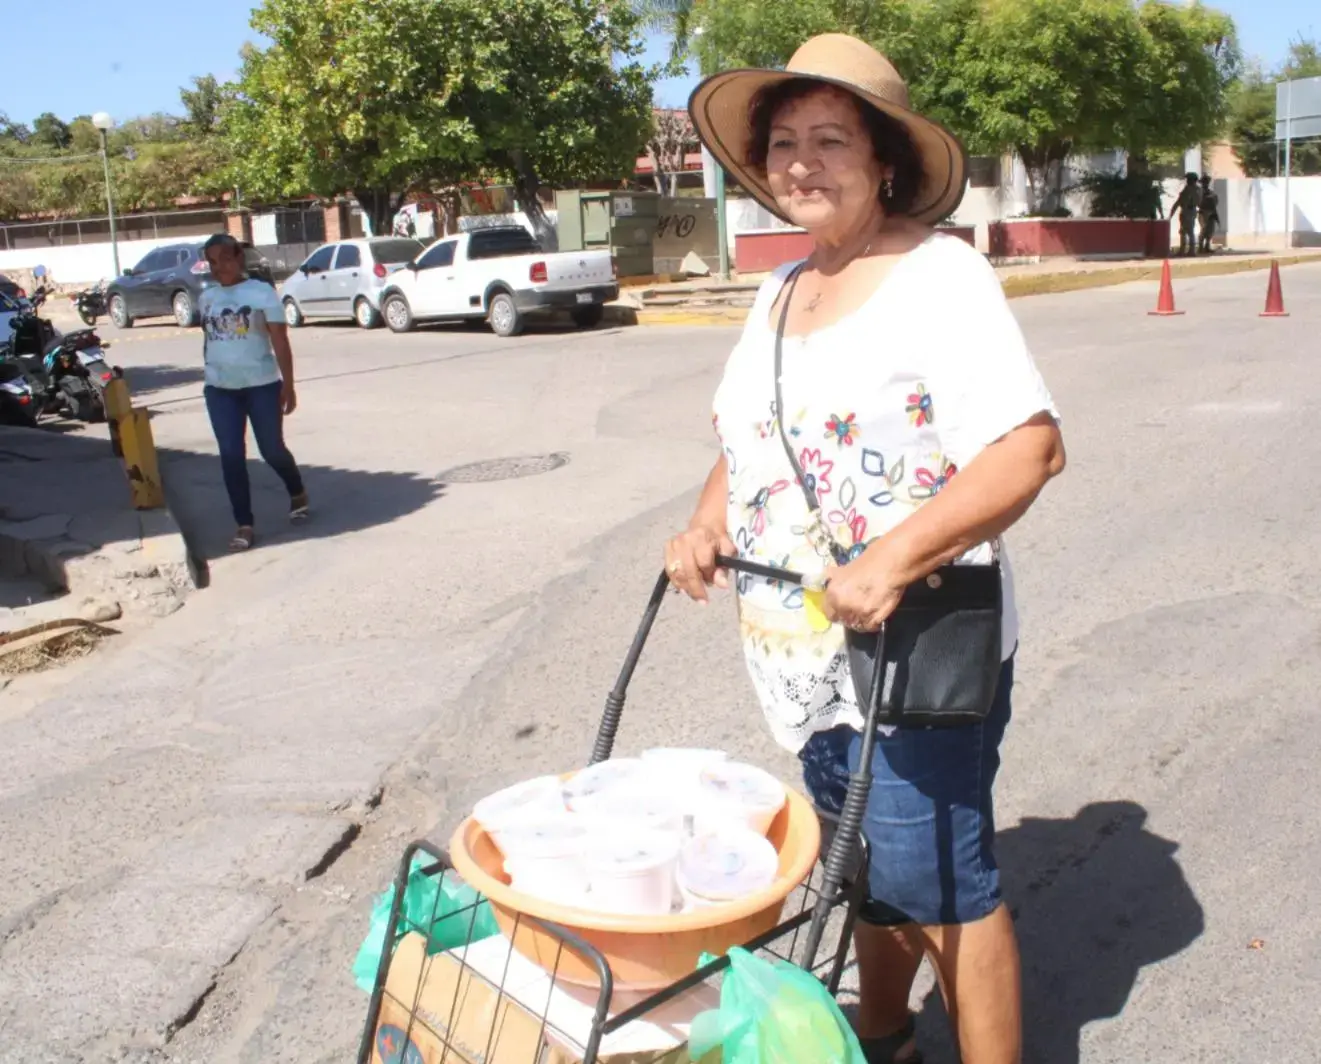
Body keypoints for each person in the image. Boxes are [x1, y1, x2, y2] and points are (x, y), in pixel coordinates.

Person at [666, 34, 1066, 1064]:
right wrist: (709, 519)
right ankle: (882, 1031)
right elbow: (748, 437)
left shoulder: (939, 276)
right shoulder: (778, 291)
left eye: (830, 139)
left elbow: (1028, 448)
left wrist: (891, 556)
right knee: (869, 868)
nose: (801, 161)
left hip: (917, 645)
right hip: (803, 662)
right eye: (785, 141)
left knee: (945, 890)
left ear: (883, 158)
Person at [198, 233, 308, 551]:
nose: (220, 268)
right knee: (231, 455)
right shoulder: (207, 298)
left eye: (226, 259)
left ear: (239, 259)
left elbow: (280, 341)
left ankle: (296, 489)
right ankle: (244, 524)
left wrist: (288, 385)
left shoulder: (261, 293)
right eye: (213, 262)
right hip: (220, 389)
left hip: (261, 385)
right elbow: (209, 339)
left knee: (271, 450)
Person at [1174, 172, 1201, 256]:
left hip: (1188, 211)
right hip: (1189, 211)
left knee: (1188, 231)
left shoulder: (1192, 189)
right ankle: (1187, 250)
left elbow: (1180, 201)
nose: (1187, 181)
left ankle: (1188, 250)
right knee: (1185, 231)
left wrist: (1173, 211)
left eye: (1189, 179)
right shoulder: (1195, 189)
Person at [1198, 174, 1220, 254]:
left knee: (1210, 231)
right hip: (1203, 213)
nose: (1206, 183)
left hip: (1211, 212)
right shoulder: (1200, 192)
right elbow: (1199, 203)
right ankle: (1200, 247)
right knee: (1203, 230)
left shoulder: (1211, 192)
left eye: (1207, 181)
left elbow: (1215, 201)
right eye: (1204, 181)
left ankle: (1206, 246)